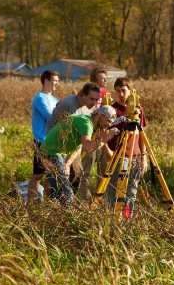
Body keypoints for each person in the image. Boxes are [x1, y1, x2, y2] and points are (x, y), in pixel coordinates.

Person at [42, 105, 116, 206]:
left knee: (66, 183)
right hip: (52, 151)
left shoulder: (88, 122)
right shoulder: (86, 124)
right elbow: (87, 147)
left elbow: (78, 147)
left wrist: (67, 164)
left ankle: (54, 209)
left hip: (57, 151)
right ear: (100, 115)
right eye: (108, 121)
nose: (108, 124)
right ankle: (62, 213)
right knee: (67, 191)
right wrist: (107, 137)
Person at [104, 77, 148, 217]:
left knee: (131, 192)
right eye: (118, 91)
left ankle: (127, 219)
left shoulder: (138, 109)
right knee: (112, 191)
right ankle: (111, 219)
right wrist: (107, 152)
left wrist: (144, 158)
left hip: (134, 157)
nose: (121, 94)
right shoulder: (111, 110)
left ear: (130, 91)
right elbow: (102, 134)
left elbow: (141, 135)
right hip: (117, 158)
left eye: (123, 90)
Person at [28, 70, 59, 204]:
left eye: (58, 81)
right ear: (46, 81)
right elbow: (50, 116)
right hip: (42, 141)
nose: (56, 84)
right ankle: (29, 202)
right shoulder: (39, 98)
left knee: (51, 174)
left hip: (54, 142)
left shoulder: (55, 99)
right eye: (54, 81)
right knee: (38, 175)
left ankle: (46, 203)